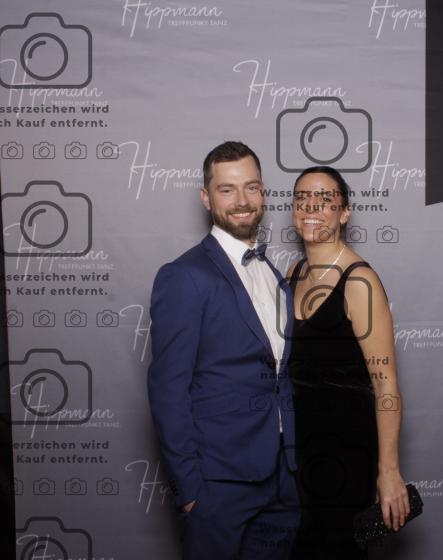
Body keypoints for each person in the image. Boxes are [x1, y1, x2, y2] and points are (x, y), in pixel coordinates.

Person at [147, 141, 300, 559]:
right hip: (218, 486)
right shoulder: (184, 276)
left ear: (263, 192)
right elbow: (168, 390)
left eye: (251, 187)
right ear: (206, 197)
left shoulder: (275, 274)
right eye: (227, 189)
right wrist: (191, 490)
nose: (242, 201)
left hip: (283, 480)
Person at [286, 166, 409, 559]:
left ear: (345, 212)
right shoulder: (293, 273)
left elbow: (386, 384)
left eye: (324, 199)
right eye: (302, 198)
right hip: (298, 449)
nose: (311, 207)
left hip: (346, 451)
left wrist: (388, 471)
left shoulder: (359, 282)